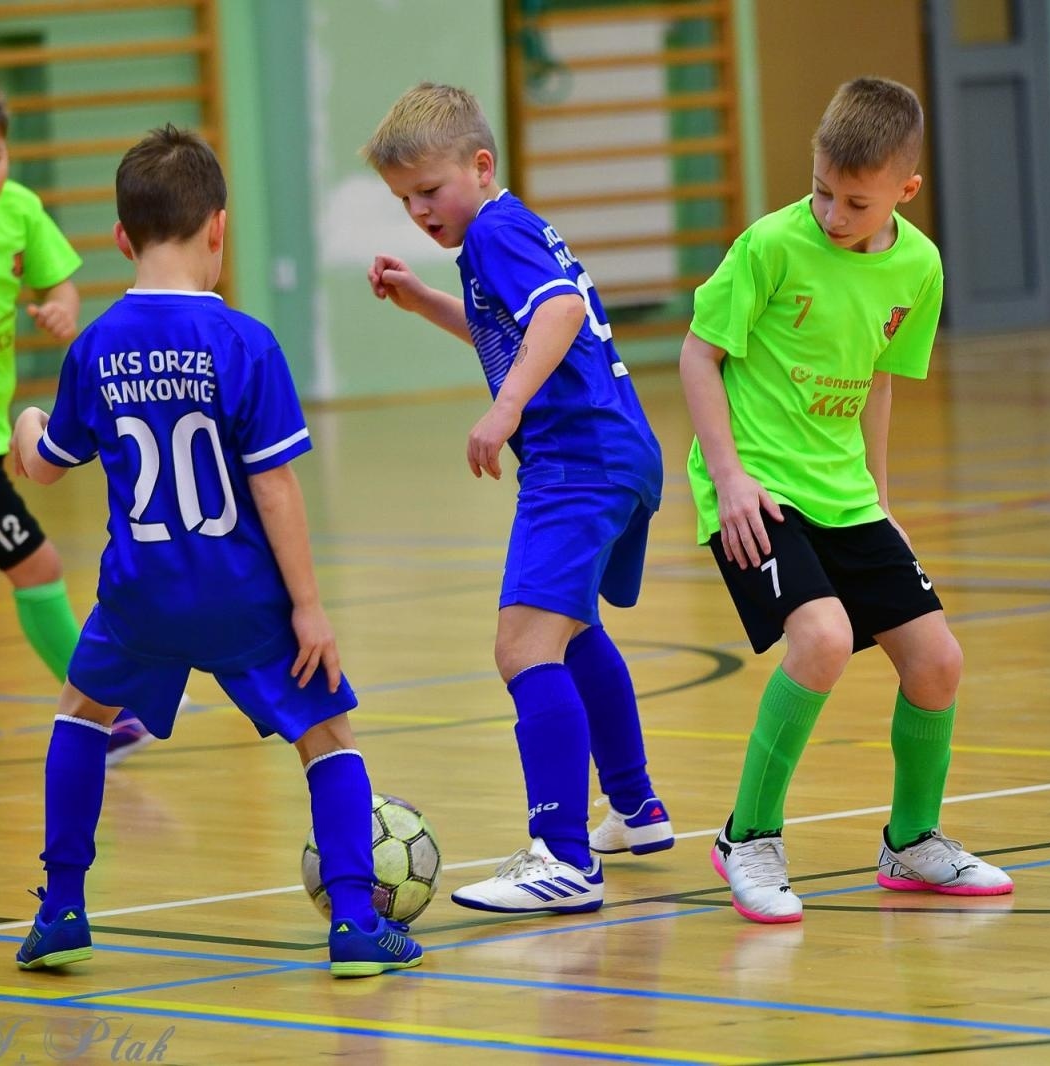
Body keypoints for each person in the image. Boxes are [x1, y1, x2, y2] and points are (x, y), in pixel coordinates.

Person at [9, 125, 421, 978]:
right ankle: (354, 920)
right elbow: (275, 487)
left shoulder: (96, 346)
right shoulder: (246, 343)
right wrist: (308, 607)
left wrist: (26, 424)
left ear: (121, 238)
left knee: (80, 714)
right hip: (242, 596)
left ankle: (61, 908)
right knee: (328, 737)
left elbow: (45, 467)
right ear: (219, 229)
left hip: (140, 596)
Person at [678, 77, 1014, 924]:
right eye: (822, 189)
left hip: (846, 494)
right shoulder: (770, 245)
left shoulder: (919, 267)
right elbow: (697, 356)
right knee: (822, 638)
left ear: (906, 189)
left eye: (856, 202)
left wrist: (882, 499)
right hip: (756, 487)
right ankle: (747, 837)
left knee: (938, 662)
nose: (832, 213)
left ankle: (912, 842)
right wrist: (729, 478)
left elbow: (877, 383)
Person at [363, 82, 670, 915]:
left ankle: (563, 858)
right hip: (618, 451)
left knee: (523, 647)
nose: (419, 211)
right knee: (569, 632)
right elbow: (515, 328)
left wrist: (504, 411)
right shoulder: (507, 231)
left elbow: (559, 313)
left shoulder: (494, 230)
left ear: (480, 164)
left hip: (576, 460)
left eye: (429, 190)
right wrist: (426, 300)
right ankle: (635, 807)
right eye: (404, 199)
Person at [0, 82, 154, 764]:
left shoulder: (19, 211)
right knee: (38, 565)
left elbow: (56, 282)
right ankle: (105, 712)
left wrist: (62, 308)